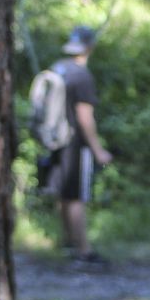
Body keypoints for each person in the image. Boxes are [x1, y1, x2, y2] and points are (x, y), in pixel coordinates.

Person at [52, 25, 113, 266]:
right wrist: (98, 150)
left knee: (63, 195)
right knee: (77, 196)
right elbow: (84, 116)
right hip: (75, 144)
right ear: (89, 47)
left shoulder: (58, 68)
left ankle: (68, 242)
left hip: (55, 140)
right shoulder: (82, 75)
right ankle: (84, 251)